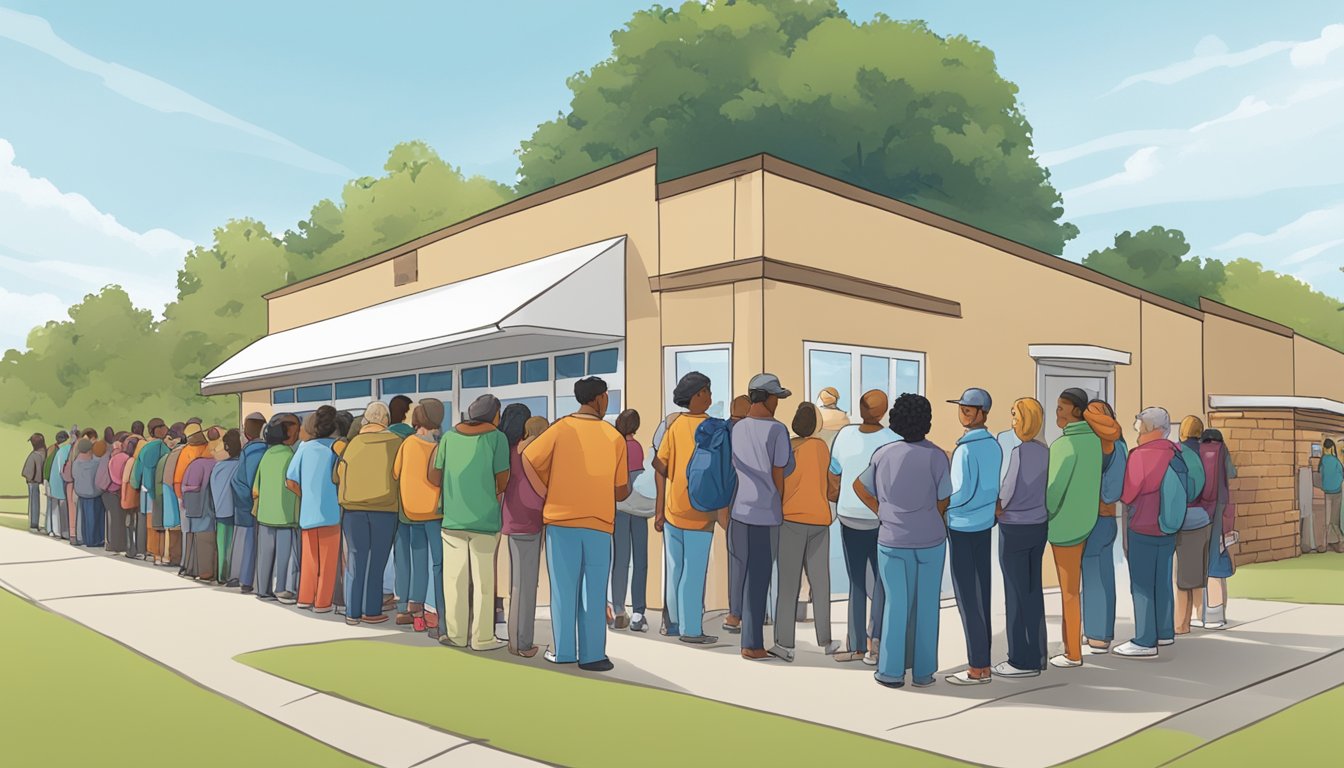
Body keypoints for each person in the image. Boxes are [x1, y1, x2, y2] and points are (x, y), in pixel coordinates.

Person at [522, 376, 630, 672]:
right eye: (606, 396)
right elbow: (622, 490)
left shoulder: (560, 429)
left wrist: (544, 491)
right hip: (598, 523)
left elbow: (528, 458)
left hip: (561, 521)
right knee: (594, 592)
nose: (607, 401)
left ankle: (564, 651)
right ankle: (594, 655)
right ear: (598, 399)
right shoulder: (613, 437)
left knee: (563, 589)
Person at [855, 393, 951, 689]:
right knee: (926, 606)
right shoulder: (937, 456)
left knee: (896, 604)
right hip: (931, 540)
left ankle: (891, 671)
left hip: (892, 539)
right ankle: (923, 673)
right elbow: (944, 498)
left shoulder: (884, 454)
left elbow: (859, 486)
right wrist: (926, 516)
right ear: (927, 422)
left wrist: (882, 510)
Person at [427, 395, 509, 651]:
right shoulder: (497, 438)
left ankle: (456, 634)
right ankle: (483, 638)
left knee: (454, 580)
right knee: (484, 582)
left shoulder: (449, 438)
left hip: (452, 519)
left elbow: (434, 474)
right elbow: (503, 479)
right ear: (494, 415)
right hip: (485, 519)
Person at [827, 390, 899, 663]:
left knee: (856, 581)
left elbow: (833, 475)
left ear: (859, 408)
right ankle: (876, 641)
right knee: (881, 581)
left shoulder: (844, 435)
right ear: (884, 412)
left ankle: (856, 645)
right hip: (881, 518)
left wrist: (837, 495)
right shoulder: (893, 439)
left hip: (849, 517)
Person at [730, 373, 795, 661]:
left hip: (739, 510)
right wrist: (778, 504)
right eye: (777, 398)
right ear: (768, 398)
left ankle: (746, 636)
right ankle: (752, 644)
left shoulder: (738, 428)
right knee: (759, 578)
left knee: (743, 574)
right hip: (765, 512)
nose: (778, 403)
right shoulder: (777, 430)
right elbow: (781, 472)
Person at [653, 372, 719, 643]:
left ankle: (674, 623)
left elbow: (660, 467)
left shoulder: (675, 426)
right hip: (701, 510)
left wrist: (659, 510)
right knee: (694, 570)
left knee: (675, 568)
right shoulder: (715, 428)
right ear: (698, 395)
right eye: (707, 391)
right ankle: (691, 630)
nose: (710, 397)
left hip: (672, 509)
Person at [943, 388, 1001, 685]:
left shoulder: (965, 449)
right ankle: (984, 662)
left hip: (962, 526)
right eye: (961, 408)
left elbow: (961, 492)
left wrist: (941, 503)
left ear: (982, 413)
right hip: (984, 524)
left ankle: (977, 666)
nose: (963, 414)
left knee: (968, 597)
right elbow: (993, 489)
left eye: (969, 410)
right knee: (982, 593)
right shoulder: (994, 446)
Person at [772, 402, 837, 662]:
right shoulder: (821, 448)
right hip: (820, 520)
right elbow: (831, 484)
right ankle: (826, 640)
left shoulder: (786, 448)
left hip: (790, 520)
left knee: (788, 585)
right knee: (821, 583)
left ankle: (784, 643)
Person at [1114, 407, 1181, 658]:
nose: (1136, 430)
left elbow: (1128, 494)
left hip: (1142, 525)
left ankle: (1144, 640)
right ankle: (1165, 633)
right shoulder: (1176, 452)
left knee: (1142, 585)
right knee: (1162, 580)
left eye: (1139, 425)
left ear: (1149, 429)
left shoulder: (1140, 456)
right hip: (1168, 526)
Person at [1045, 387, 1102, 669]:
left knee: (1068, 591)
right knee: (1079, 588)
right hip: (1088, 521)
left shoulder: (1063, 446)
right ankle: (1075, 644)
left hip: (1065, 527)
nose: (1057, 412)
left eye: (1061, 407)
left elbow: (1052, 493)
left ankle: (1072, 652)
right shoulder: (1094, 442)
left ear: (1076, 411)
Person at [993, 398, 1049, 678]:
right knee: (1032, 591)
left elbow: (1007, 489)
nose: (1012, 419)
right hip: (1039, 526)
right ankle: (1038, 655)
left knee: (1015, 594)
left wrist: (997, 508)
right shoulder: (1045, 451)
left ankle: (1020, 660)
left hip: (1014, 527)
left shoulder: (1018, 452)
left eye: (1015, 414)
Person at [336, 402, 401, 625]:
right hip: (385, 509)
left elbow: (337, 476)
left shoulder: (352, 445)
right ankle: (371, 610)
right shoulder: (395, 443)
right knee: (377, 561)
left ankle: (352, 612)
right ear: (386, 421)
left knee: (355, 558)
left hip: (353, 510)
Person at [392, 399, 447, 632]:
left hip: (412, 510)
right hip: (435, 512)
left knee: (418, 562)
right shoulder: (442, 444)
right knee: (438, 563)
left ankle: (416, 614)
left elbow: (396, 472)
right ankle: (435, 611)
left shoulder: (408, 444)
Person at [286, 406, 342, 612]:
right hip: (332, 512)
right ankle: (322, 602)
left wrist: (306, 495)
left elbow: (290, 481)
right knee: (328, 563)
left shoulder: (304, 448)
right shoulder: (337, 448)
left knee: (309, 558)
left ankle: (305, 597)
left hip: (308, 513)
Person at [1081, 400, 1126, 654]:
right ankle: (1100, 629)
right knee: (1103, 574)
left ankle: (1097, 634)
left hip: (1094, 515)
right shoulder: (1120, 443)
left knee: (1093, 574)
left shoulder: (1100, 444)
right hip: (1110, 516)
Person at [503, 416, 548, 656]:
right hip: (532, 522)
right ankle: (523, 643)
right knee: (528, 585)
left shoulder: (511, 452)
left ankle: (513, 640)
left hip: (511, 521)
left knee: (516, 584)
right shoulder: (539, 453)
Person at [610, 409, 652, 633]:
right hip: (637, 507)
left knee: (620, 559)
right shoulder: (635, 447)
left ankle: (618, 609)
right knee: (640, 559)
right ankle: (638, 612)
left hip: (618, 508)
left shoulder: (614, 445)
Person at [254, 413, 300, 603]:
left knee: (265, 554)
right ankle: (281, 588)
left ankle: (263, 589)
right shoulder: (289, 455)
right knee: (283, 555)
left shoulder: (266, 455)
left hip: (265, 513)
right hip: (285, 514)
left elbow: (256, 487)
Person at [1198, 429, 1238, 629]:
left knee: (1200, 561)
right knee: (1218, 556)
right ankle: (1218, 613)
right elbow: (1231, 472)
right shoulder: (1223, 450)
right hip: (1220, 507)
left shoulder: (1197, 449)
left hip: (1200, 510)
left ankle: (1203, 612)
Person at [1174, 416, 1209, 636]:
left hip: (1183, 518)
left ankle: (1181, 624)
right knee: (1198, 571)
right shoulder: (1209, 452)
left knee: (1180, 576)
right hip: (1204, 518)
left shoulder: (1178, 453)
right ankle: (1199, 616)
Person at [721, 393, 752, 633]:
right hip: (745, 501)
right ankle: (745, 612)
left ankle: (735, 612)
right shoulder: (746, 432)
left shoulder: (722, 431)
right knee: (753, 559)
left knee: (736, 559)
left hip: (726, 501)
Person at [230, 416, 268, 592]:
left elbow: (241, 479)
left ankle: (246, 580)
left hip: (248, 505)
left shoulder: (250, 451)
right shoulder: (269, 449)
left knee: (249, 543)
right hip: (268, 503)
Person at [181, 428, 221, 581]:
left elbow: (189, 489)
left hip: (199, 510)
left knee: (200, 538)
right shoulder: (218, 463)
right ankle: (208, 571)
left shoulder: (197, 465)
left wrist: (188, 505)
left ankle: (201, 571)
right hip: (214, 510)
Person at [207, 430, 242, 584]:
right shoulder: (241, 465)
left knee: (223, 545)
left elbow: (212, 490)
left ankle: (222, 575)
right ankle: (236, 574)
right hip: (238, 510)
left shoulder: (218, 467)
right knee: (237, 545)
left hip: (221, 511)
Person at [132, 419, 169, 559]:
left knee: (146, 520)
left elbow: (137, 472)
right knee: (158, 521)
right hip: (160, 490)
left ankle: (147, 549)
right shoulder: (164, 448)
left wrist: (136, 485)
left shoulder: (145, 448)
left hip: (145, 489)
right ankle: (157, 552)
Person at [72, 439, 105, 548]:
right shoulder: (95, 463)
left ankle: (86, 538)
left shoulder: (76, 463)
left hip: (81, 494)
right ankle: (94, 540)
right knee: (94, 518)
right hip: (93, 494)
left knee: (85, 518)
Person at [99, 433, 127, 552]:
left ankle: (110, 543)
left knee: (111, 519)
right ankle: (117, 545)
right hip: (115, 492)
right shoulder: (122, 458)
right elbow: (119, 478)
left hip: (106, 492)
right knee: (117, 520)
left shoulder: (107, 457)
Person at [118, 436, 142, 558]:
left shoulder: (131, 460)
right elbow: (125, 480)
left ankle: (131, 549)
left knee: (130, 522)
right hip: (131, 493)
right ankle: (131, 549)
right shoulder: (133, 461)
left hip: (129, 493)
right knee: (131, 522)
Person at [1319, 439, 1343, 554]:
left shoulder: (1322, 460)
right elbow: (1342, 474)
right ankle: (1341, 542)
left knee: (1328, 521)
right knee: (1334, 521)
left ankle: (1324, 544)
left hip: (1328, 493)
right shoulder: (1336, 461)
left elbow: (1321, 474)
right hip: (1337, 492)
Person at [44, 431, 68, 538]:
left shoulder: (52, 449)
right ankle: (54, 529)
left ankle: (51, 529)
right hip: (53, 481)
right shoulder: (58, 451)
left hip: (50, 480)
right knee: (55, 506)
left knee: (52, 506)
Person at [21, 433, 45, 532]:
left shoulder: (34, 455)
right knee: (42, 504)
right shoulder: (46, 453)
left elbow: (27, 472)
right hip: (43, 482)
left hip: (33, 482)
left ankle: (33, 524)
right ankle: (41, 524)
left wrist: (28, 478)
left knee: (34, 504)